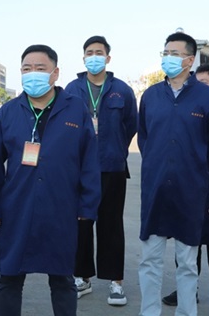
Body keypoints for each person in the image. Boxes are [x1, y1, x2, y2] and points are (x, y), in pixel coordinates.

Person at [0, 44, 101, 316]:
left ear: (55, 73)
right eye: (26, 69)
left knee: (62, 279)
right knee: (10, 277)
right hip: (16, 207)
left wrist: (88, 206)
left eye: (39, 68)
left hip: (62, 207)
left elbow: (90, 161)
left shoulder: (75, 109)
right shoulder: (8, 112)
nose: (32, 74)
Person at [137, 32, 209, 316]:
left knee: (187, 261)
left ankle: (187, 311)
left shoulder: (206, 97)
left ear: (189, 60)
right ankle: (149, 311)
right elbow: (144, 138)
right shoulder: (151, 95)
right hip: (155, 189)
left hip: (191, 190)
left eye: (174, 54)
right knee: (150, 258)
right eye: (165, 53)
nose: (168, 58)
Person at [65, 35, 137, 306]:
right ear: (83, 58)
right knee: (81, 224)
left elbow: (131, 124)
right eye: (89, 52)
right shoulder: (72, 89)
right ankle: (82, 277)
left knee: (111, 225)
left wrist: (115, 149)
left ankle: (115, 282)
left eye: (99, 52)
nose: (94, 56)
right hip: (80, 168)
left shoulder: (122, 90)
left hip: (112, 168)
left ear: (108, 57)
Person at [161, 64, 209, 316]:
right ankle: (187, 288)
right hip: (187, 189)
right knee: (186, 242)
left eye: (203, 84)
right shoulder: (185, 114)